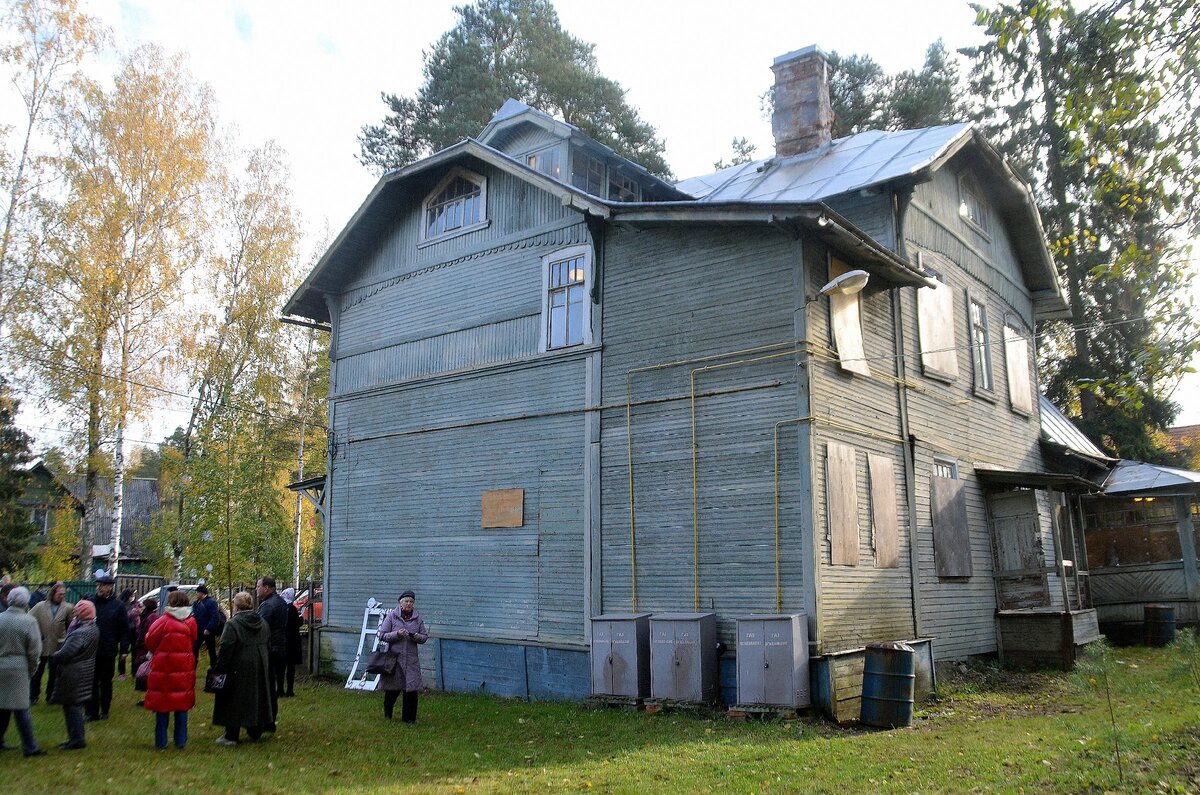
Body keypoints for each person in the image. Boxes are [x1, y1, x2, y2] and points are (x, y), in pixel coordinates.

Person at [212, 591, 274, 746]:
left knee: (233, 697)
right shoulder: (262, 622)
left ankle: (231, 734)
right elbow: (268, 642)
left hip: (238, 665)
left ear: (236, 606)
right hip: (260, 663)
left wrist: (220, 666)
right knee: (258, 694)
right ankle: (255, 729)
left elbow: (226, 647)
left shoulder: (233, 624)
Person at [144, 589, 197, 750]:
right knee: (181, 704)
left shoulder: (164, 621)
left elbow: (150, 640)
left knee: (163, 704)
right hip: (184, 666)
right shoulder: (191, 621)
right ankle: (180, 740)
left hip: (164, 667)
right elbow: (193, 640)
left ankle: (161, 741)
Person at [0, 587, 46, 756]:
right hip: (19, 667)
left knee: (3, 706)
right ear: (25, 602)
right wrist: (32, 669)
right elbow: (34, 651)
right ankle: (30, 746)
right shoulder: (29, 621)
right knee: (21, 709)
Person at [50, 600, 98, 750]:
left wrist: (54, 655)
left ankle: (76, 739)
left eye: (76, 612)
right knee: (75, 705)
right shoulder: (94, 629)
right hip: (84, 670)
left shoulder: (79, 633)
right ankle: (76, 737)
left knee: (72, 707)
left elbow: (66, 653)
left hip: (73, 673)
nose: (74, 615)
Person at [376, 589, 428, 723]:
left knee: (411, 690)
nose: (409, 604)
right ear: (400, 603)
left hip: (411, 661)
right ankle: (388, 713)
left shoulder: (418, 618)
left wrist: (417, 637)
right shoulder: (392, 616)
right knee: (392, 690)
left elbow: (424, 637)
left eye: (411, 601)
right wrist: (396, 634)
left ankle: (409, 719)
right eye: (406, 601)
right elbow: (382, 635)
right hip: (395, 659)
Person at [85, 571, 128, 721]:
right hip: (91, 649)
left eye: (103, 585)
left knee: (105, 682)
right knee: (91, 682)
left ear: (110, 587)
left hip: (108, 650)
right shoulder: (92, 603)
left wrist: (123, 649)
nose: (99, 588)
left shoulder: (118, 606)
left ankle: (105, 710)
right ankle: (91, 712)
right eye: (99, 585)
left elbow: (124, 629)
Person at [28, 582, 72, 704]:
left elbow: (70, 625)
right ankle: (33, 696)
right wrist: (36, 633)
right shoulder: (40, 606)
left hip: (58, 645)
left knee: (54, 673)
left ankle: (51, 696)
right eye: (59, 594)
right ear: (52, 593)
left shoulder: (68, 607)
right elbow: (29, 620)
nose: (62, 596)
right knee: (37, 673)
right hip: (41, 644)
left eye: (63, 594)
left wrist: (66, 638)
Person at [255, 577, 286, 716]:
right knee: (271, 685)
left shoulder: (267, 605)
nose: (256, 589)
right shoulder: (281, 601)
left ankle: (267, 719)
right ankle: (270, 718)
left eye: (258, 586)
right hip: (280, 646)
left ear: (266, 588)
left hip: (270, 647)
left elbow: (260, 627)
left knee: (266, 686)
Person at [191, 584, 220, 669]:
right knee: (195, 649)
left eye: (197, 592)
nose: (196, 594)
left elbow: (214, 616)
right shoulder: (196, 603)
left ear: (202, 593)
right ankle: (193, 666)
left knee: (211, 650)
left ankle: (214, 667)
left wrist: (209, 628)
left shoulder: (211, 602)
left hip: (208, 631)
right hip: (198, 631)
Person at [280, 588, 302, 697]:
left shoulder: (280, 607)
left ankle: (279, 689)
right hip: (292, 640)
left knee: (281, 666)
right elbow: (295, 623)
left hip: (282, 639)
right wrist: (301, 619)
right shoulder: (292, 609)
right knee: (290, 667)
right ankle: (289, 689)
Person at [117, 588, 137, 681]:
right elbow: (120, 618)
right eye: (132, 595)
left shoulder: (135, 604)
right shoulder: (121, 605)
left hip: (135, 630)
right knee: (123, 652)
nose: (133, 597)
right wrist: (130, 614)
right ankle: (121, 672)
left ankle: (134, 672)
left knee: (135, 652)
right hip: (125, 631)